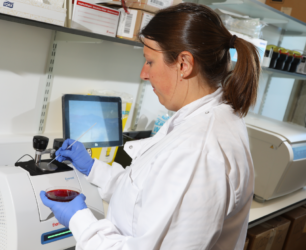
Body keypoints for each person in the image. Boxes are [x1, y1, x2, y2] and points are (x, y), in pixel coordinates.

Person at [40, 2, 260, 249]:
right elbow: (147, 195)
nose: (143, 74)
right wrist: (93, 169)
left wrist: (79, 221)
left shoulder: (199, 151)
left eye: (150, 61)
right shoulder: (202, 120)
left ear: (183, 64)